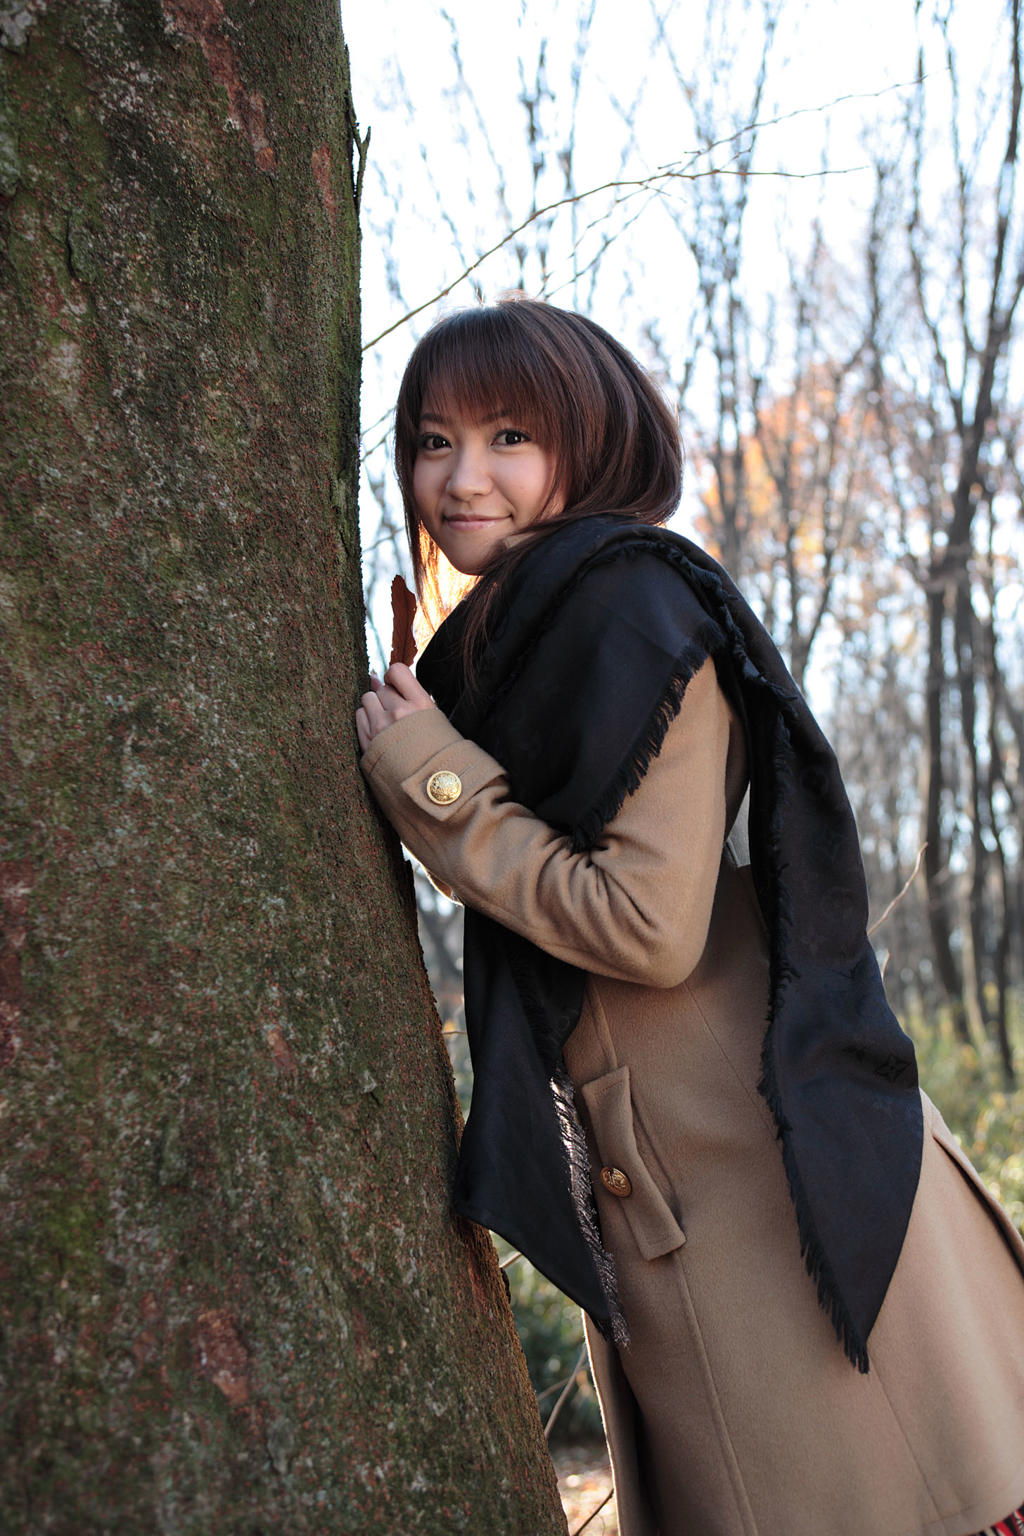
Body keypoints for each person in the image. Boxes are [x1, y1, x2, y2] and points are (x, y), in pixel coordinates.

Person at [355, 296, 1024, 1536]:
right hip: (704, 1183)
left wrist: (434, 780)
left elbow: (644, 924)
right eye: (432, 439)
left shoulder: (625, 609)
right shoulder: (532, 625)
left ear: (591, 437)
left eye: (509, 435)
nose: (460, 477)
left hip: (762, 1196)